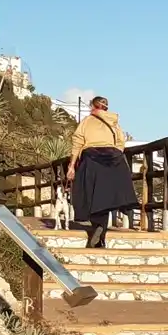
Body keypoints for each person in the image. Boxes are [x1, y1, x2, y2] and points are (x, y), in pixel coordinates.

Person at [67, 96, 139, 247]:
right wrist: (113, 155)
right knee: (105, 199)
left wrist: (72, 166)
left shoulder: (87, 121)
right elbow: (121, 142)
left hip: (92, 158)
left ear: (92, 106)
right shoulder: (114, 122)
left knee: (91, 195)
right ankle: (101, 236)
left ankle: (97, 228)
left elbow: (77, 142)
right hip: (113, 159)